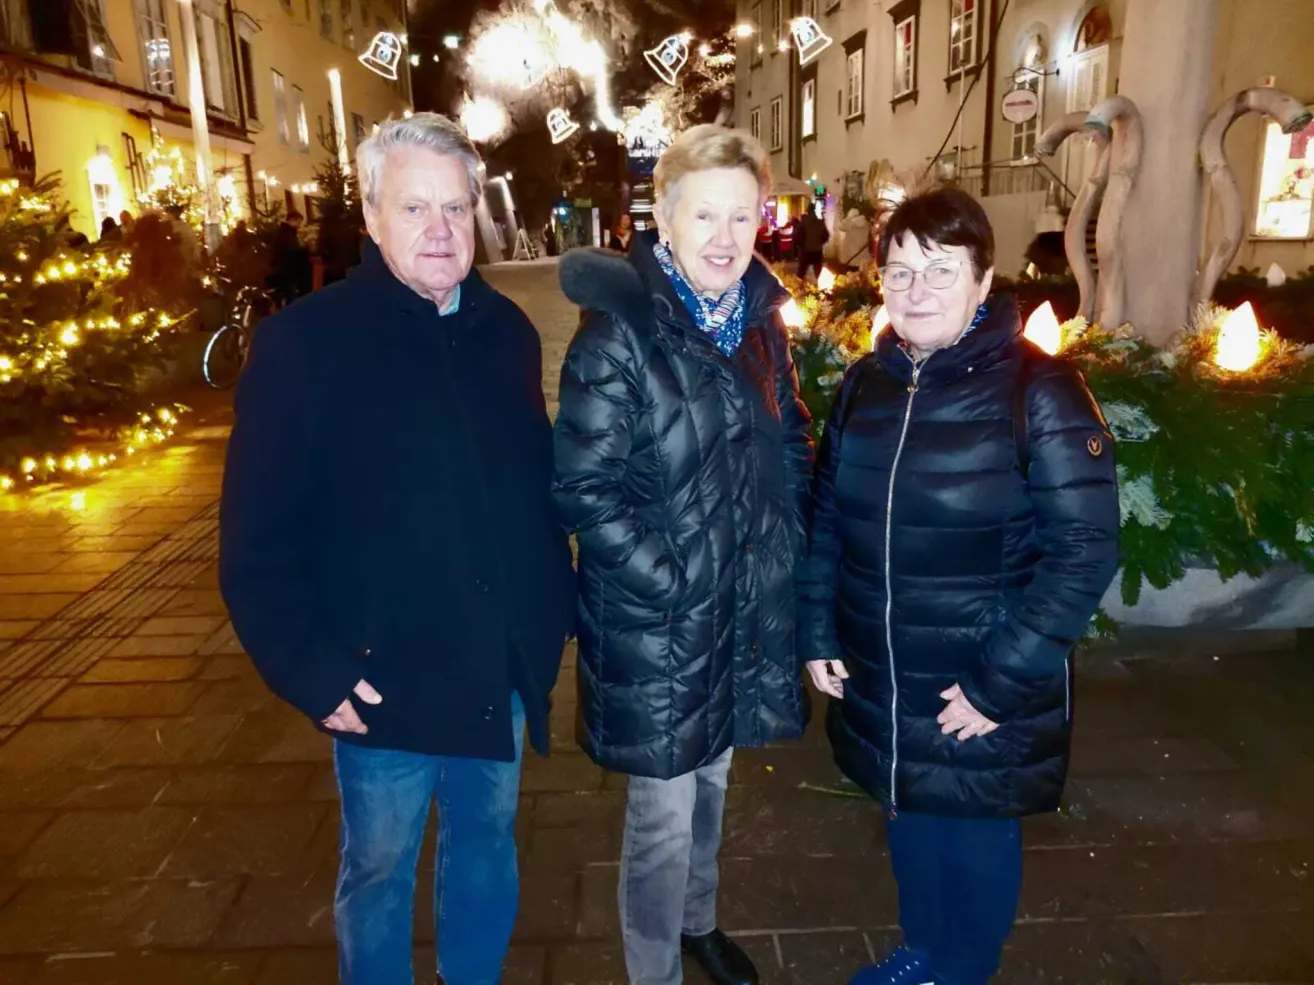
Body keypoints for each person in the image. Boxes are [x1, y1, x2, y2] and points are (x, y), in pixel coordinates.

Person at [220, 112, 577, 985]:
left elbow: (530, 490)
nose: (441, 230)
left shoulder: (506, 331)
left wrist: (551, 615)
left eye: (455, 208)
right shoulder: (306, 346)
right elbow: (255, 541)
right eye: (415, 209)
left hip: (496, 666)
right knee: (378, 868)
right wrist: (313, 669)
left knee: (486, 845)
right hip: (381, 677)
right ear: (372, 217)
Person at [798, 186, 1120, 985]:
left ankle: (964, 968)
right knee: (910, 816)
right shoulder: (869, 386)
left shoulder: (1038, 391)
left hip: (977, 677)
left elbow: (1083, 550)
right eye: (900, 272)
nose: (915, 291)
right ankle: (923, 951)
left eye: (940, 271)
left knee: (972, 831)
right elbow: (827, 522)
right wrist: (817, 629)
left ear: (984, 280)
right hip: (884, 668)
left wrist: (999, 683)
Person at [553, 124, 814, 985]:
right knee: (661, 812)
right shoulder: (620, 333)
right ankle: (654, 968)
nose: (725, 237)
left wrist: (784, 550)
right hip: (660, 619)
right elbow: (585, 490)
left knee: (713, 785)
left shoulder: (760, 326)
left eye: (743, 216)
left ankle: (699, 923)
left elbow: (791, 444)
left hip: (739, 608)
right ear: (663, 219)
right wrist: (677, 581)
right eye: (705, 215)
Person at [268, 209, 313, 303]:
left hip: (283, 270)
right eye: (298, 222)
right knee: (290, 296)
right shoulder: (287, 233)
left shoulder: (284, 232)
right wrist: (305, 249)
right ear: (292, 220)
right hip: (287, 271)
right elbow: (292, 250)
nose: (300, 225)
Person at [798, 205, 829, 279]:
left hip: (806, 251)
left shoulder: (804, 222)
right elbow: (826, 235)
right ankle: (821, 288)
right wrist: (820, 243)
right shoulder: (820, 222)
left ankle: (799, 288)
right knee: (818, 273)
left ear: (808, 211)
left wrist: (802, 245)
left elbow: (798, 235)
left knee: (801, 273)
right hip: (817, 251)